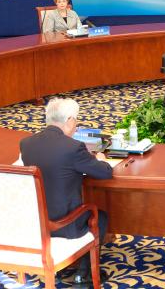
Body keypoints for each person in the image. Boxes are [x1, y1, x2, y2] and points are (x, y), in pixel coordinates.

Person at [21, 98, 113, 288]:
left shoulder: (26, 143)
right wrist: (101, 159)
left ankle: (68, 263)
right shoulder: (73, 147)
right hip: (65, 224)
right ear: (69, 120)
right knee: (100, 217)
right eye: (76, 120)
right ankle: (84, 274)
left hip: (36, 222)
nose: (76, 125)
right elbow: (104, 172)